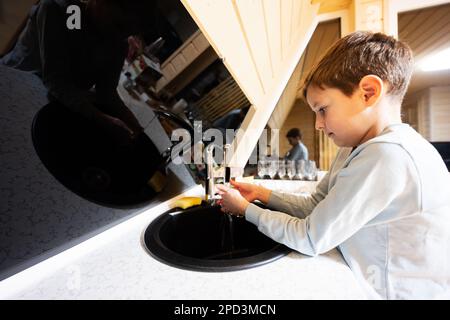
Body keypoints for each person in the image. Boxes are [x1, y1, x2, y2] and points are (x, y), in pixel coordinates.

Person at [216, 31, 450, 299]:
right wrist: (262, 194)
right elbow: (317, 206)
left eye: (323, 109)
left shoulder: (389, 155)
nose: (318, 124)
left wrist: (245, 210)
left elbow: (310, 238)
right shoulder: (355, 146)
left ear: (369, 92)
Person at [1, 0, 159, 145]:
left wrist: (137, 127)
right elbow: (57, 81)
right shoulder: (64, 12)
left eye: (127, 33)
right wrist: (102, 119)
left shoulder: (117, 44)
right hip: (11, 88)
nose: (118, 36)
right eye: (118, 25)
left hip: (50, 108)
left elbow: (106, 94)